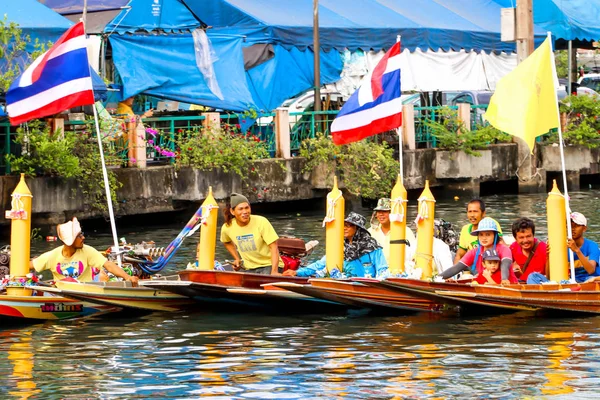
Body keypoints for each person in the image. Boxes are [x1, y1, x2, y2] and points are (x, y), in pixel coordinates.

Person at [30, 217, 139, 285]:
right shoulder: (52, 255)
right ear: (70, 241)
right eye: (79, 236)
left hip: (85, 292)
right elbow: (29, 265)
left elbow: (108, 265)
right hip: (62, 294)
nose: (83, 238)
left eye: (82, 235)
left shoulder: (87, 251)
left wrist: (128, 277)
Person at [283, 212, 388, 278]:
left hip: (366, 286)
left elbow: (382, 270)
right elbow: (321, 264)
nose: (344, 228)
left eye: (349, 226)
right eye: (343, 225)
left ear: (358, 229)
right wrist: (298, 272)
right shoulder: (340, 246)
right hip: (344, 284)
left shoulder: (372, 247)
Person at [220, 193, 283, 275]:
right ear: (232, 211)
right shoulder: (227, 227)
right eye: (241, 209)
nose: (245, 212)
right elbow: (226, 242)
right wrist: (237, 259)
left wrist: (274, 271)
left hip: (269, 265)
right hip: (249, 267)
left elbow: (273, 247)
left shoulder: (261, 222)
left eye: (247, 208)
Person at [528, 212, 600, 284]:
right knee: (533, 276)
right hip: (570, 280)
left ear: (584, 228)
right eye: (570, 226)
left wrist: (576, 250)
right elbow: (550, 277)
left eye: (576, 226)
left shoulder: (592, 246)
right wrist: (548, 257)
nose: (572, 229)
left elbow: (591, 270)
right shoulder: (562, 247)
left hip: (590, 279)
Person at [441, 217, 517, 284]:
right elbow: (457, 268)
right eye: (481, 234)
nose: (484, 238)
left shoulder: (504, 249)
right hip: (485, 287)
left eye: (488, 234)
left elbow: (505, 265)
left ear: (495, 235)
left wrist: (504, 279)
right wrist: (438, 278)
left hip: (509, 285)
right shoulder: (475, 251)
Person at [454, 199, 504, 263]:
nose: (472, 215)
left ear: (483, 213)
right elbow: (460, 254)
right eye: (470, 211)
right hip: (472, 265)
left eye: (475, 211)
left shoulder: (491, 223)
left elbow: (501, 245)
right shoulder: (465, 229)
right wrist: (456, 271)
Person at [367, 198, 416, 264]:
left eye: (384, 211)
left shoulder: (405, 231)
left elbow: (414, 253)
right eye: (378, 211)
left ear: (392, 213)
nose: (381, 214)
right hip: (376, 271)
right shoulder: (370, 232)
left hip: (398, 271)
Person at [509, 217, 548, 282]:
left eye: (528, 236)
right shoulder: (513, 248)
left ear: (533, 235)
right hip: (522, 285)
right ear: (515, 238)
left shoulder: (544, 248)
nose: (525, 240)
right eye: (521, 237)